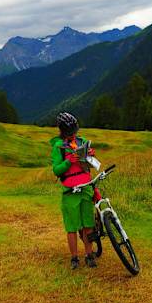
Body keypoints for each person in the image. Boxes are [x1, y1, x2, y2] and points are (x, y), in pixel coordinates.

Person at [50, 111, 101, 270]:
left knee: (88, 223)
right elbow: (56, 170)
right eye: (69, 132)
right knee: (71, 227)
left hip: (86, 187)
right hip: (70, 190)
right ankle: (74, 258)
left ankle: (89, 255)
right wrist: (68, 162)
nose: (73, 134)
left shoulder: (83, 141)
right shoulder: (58, 147)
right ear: (62, 131)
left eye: (74, 131)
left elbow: (91, 163)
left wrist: (91, 155)